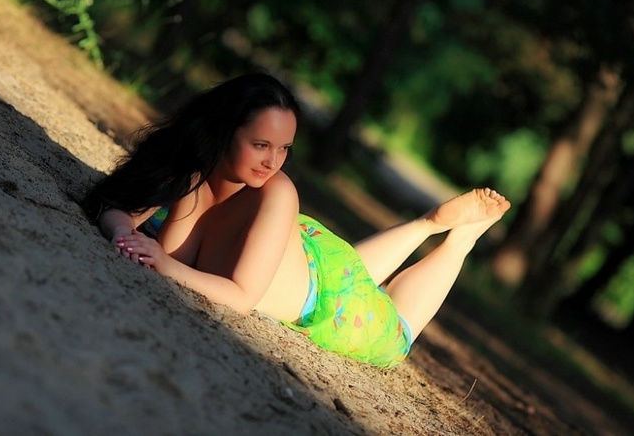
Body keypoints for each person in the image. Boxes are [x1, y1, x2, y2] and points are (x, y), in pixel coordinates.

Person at [82, 71, 510, 368]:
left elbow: (240, 297)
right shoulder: (189, 167)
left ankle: (458, 238)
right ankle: (425, 224)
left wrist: (162, 261)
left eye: (284, 148)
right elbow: (116, 205)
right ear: (224, 130)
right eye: (261, 145)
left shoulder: (276, 190)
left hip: (330, 305)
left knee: (397, 331)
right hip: (298, 253)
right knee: (353, 271)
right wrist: (124, 232)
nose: (272, 161)